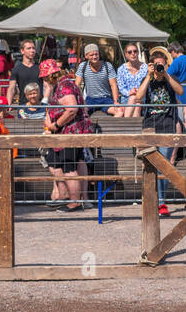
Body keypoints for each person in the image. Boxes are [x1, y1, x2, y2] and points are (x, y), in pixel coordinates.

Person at [134, 45, 182, 215]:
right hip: (150, 127)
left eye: (162, 64)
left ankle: (161, 202)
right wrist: (149, 76)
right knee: (151, 165)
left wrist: (166, 74)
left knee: (164, 166)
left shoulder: (170, 78)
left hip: (167, 126)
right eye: (157, 64)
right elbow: (138, 97)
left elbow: (180, 91)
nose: (159, 67)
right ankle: (154, 200)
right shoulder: (147, 79)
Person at [41, 59, 90, 211]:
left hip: (71, 132)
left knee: (69, 167)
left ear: (50, 76)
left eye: (44, 77)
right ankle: (70, 198)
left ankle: (75, 202)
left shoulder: (65, 86)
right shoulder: (63, 84)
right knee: (67, 164)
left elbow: (72, 109)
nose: (44, 80)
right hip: (69, 132)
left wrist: (56, 125)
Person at [75, 43, 121, 116]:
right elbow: (77, 85)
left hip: (105, 98)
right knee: (79, 113)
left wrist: (116, 101)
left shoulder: (107, 66)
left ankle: (113, 124)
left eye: (96, 54)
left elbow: (113, 85)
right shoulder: (83, 66)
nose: (94, 57)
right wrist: (81, 101)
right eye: (91, 55)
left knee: (119, 112)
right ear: (86, 56)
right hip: (90, 99)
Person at [116, 42, 148, 118]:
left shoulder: (145, 68)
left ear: (138, 53)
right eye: (130, 52)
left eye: (135, 51)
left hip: (142, 98)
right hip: (126, 98)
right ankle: (134, 124)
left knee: (137, 101)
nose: (133, 54)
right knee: (135, 100)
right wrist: (130, 92)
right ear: (126, 55)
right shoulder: (121, 69)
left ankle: (127, 122)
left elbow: (148, 85)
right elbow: (121, 88)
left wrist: (139, 92)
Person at [10, 39, 43, 104]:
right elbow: (11, 88)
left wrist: (45, 102)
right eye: (29, 48)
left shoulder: (41, 67)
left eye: (33, 48)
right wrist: (9, 104)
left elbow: (47, 86)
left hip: (39, 105)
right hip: (23, 105)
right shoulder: (16, 69)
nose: (32, 50)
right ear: (22, 51)